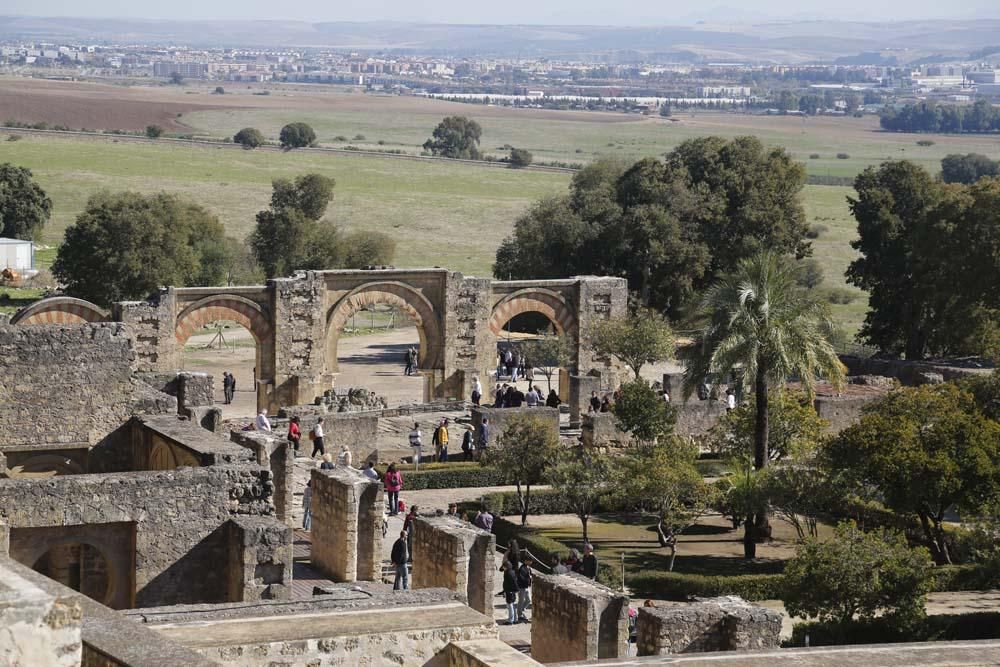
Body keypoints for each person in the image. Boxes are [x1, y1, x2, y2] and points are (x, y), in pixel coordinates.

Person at [516, 555, 533, 623]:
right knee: (521, 601)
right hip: (522, 587)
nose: (531, 562)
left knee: (529, 600)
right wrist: (529, 579)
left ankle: (522, 609)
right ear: (526, 561)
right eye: (530, 561)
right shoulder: (522, 568)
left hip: (527, 587)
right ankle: (520, 615)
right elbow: (521, 578)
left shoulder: (528, 568)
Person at [501, 561, 519, 625]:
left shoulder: (509, 573)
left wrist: (516, 589)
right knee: (512, 605)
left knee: (510, 605)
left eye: (504, 566)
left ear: (506, 566)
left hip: (510, 591)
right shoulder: (511, 571)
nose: (503, 568)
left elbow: (513, 582)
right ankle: (514, 619)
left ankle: (510, 620)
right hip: (511, 590)